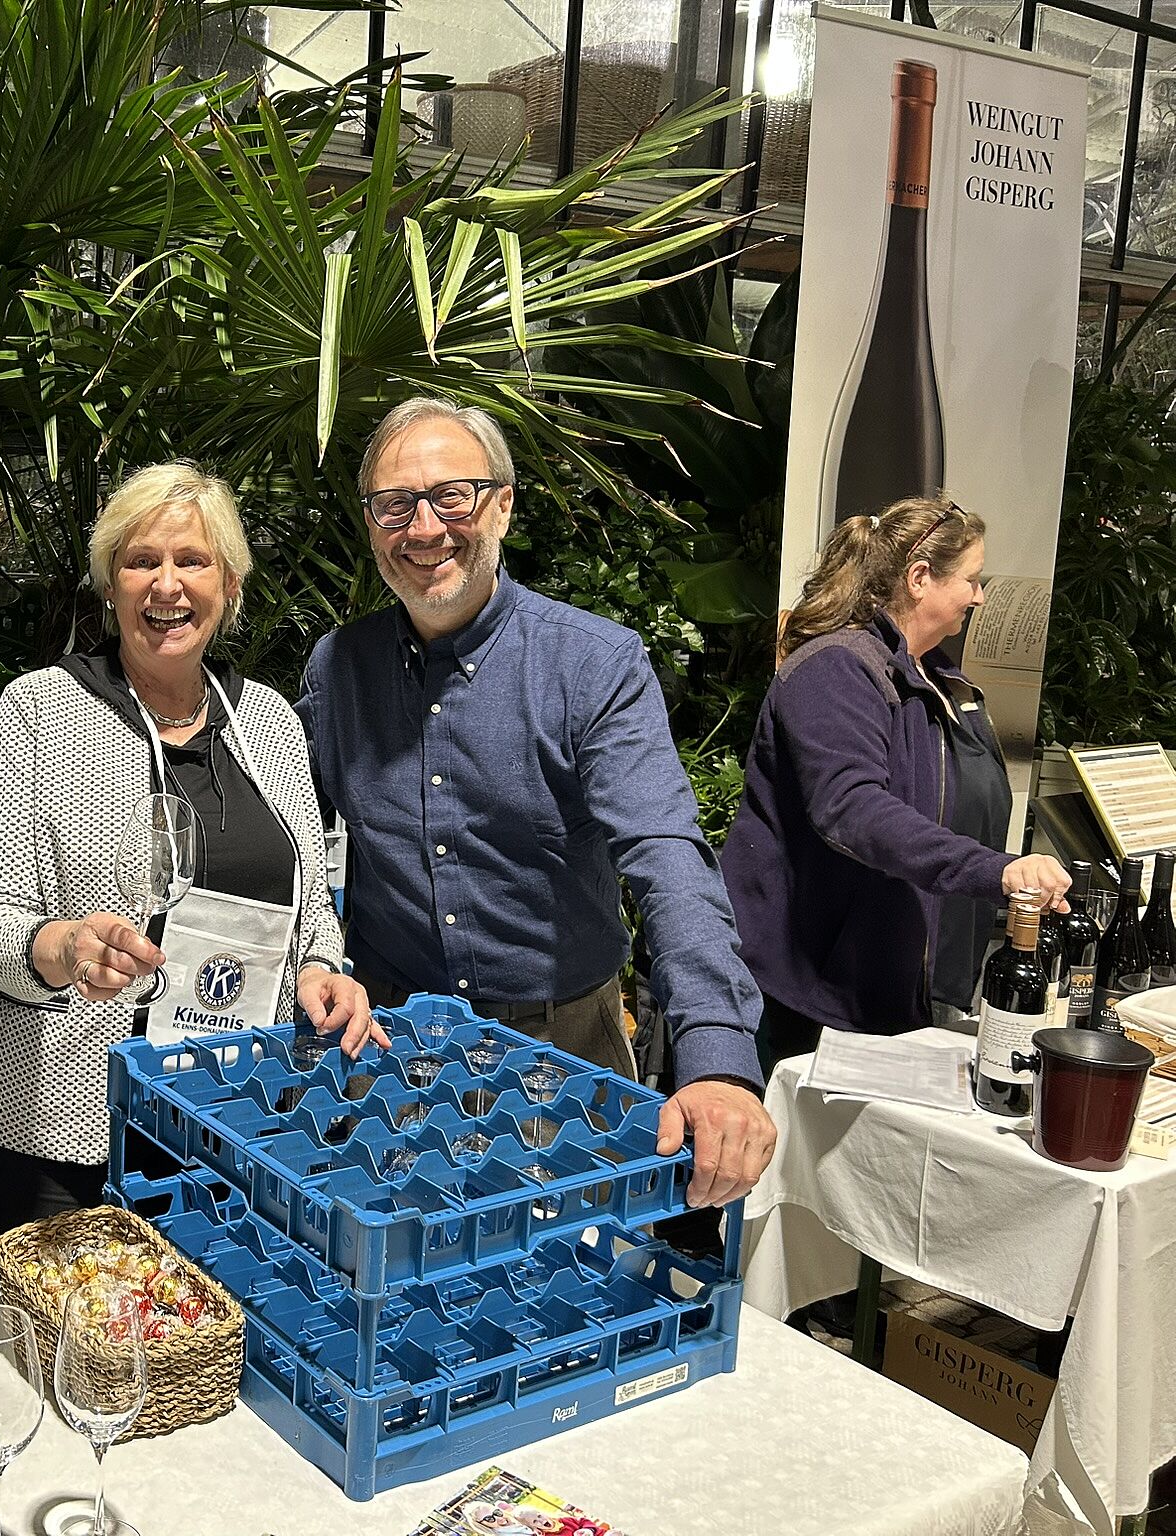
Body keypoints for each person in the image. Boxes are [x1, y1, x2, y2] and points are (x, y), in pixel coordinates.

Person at [298, 396, 776, 1210]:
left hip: (563, 1053)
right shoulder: (338, 668)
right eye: (395, 505)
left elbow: (664, 853)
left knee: (573, 1261)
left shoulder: (594, 665)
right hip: (388, 1049)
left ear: (503, 505)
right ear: (372, 524)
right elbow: (293, 840)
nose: (424, 528)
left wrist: (719, 1059)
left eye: (452, 497)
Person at [0, 462, 377, 1277]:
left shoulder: (269, 722)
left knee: (216, 1342)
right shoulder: (40, 710)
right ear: (110, 584)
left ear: (230, 585)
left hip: (232, 1122)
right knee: (69, 1346)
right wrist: (62, 948)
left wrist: (322, 969)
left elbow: (310, 907)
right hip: (59, 1130)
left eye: (193, 561)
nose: (167, 585)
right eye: (141, 561)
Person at [720, 496, 1071, 1070]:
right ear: (919, 578)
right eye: (971, 580)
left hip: (892, 994)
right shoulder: (835, 668)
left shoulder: (940, 683)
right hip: (807, 997)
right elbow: (851, 809)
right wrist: (996, 870)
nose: (979, 597)